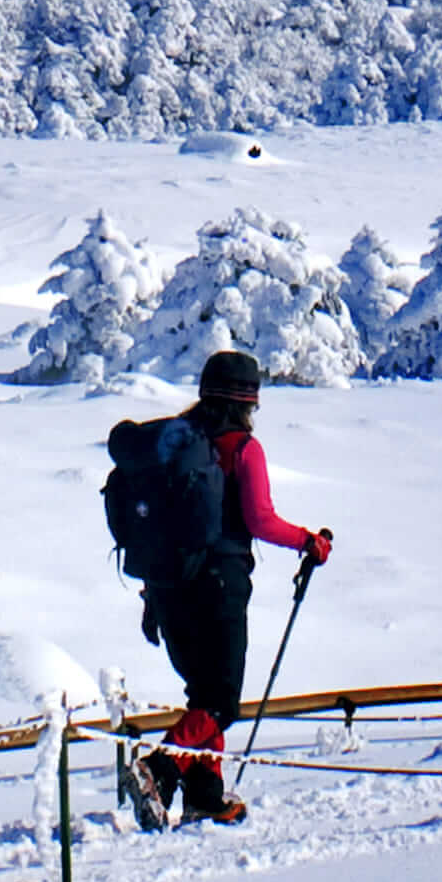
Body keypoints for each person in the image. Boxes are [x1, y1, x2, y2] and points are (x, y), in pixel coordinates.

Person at [134, 349, 332, 827]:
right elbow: (259, 520)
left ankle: (205, 796)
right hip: (218, 587)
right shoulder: (242, 448)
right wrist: (310, 542)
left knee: (204, 696)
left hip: (166, 588)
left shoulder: (177, 444)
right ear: (249, 402)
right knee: (221, 703)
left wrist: (150, 597)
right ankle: (158, 767)